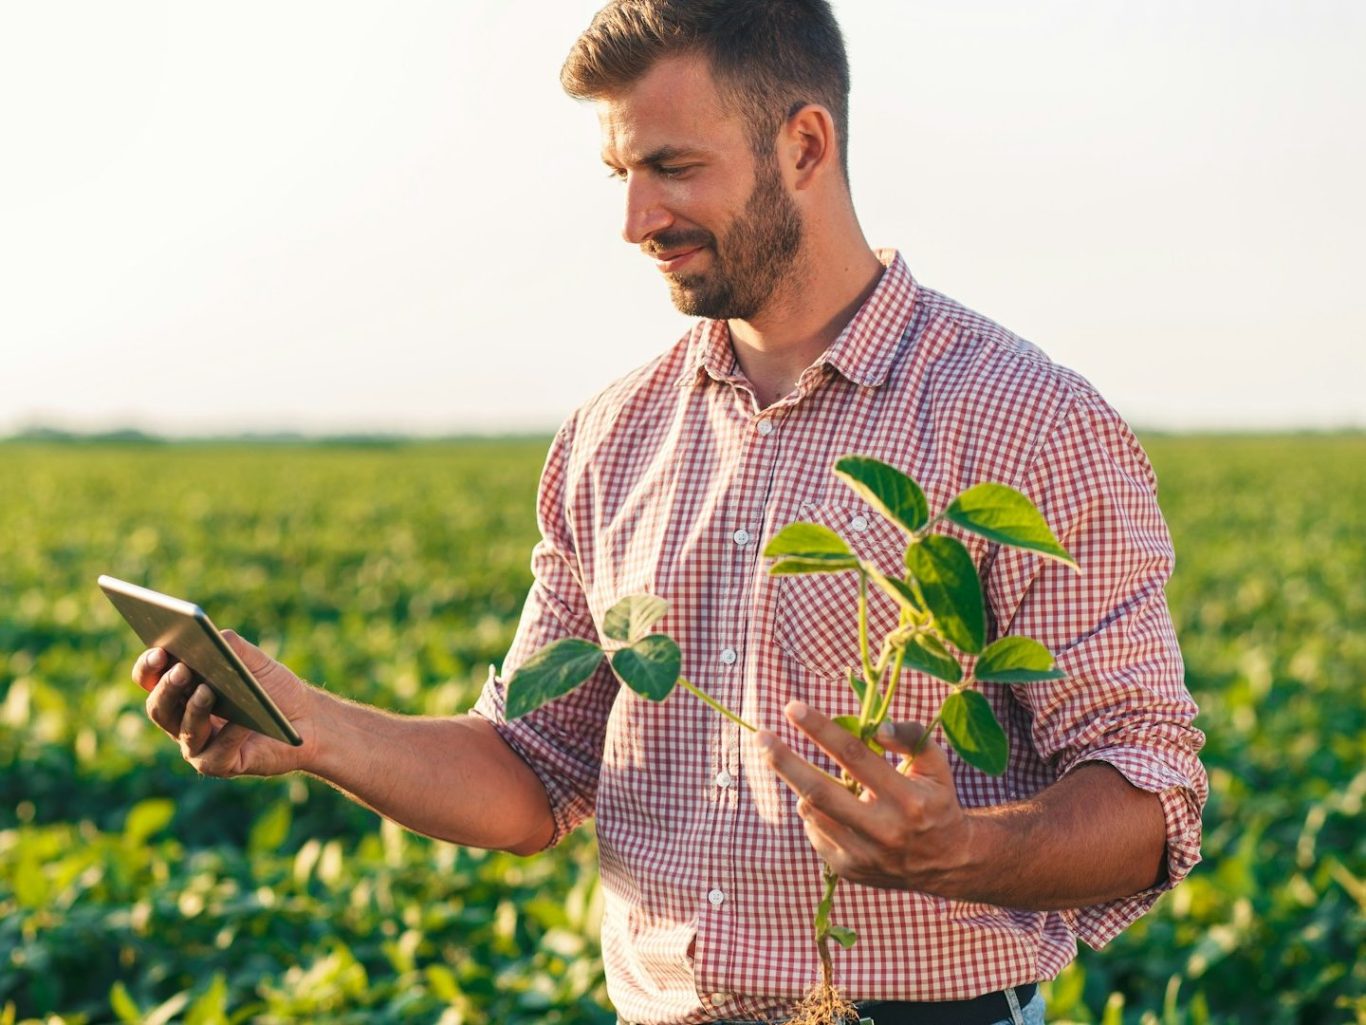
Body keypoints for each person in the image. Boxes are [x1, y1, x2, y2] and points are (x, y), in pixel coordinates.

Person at [134, 2, 1207, 1024]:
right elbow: (529, 772)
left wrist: (961, 848)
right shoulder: (613, 437)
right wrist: (310, 726)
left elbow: (1148, 793)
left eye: (673, 167)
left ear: (804, 145)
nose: (636, 220)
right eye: (622, 173)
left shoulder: (1027, 419)